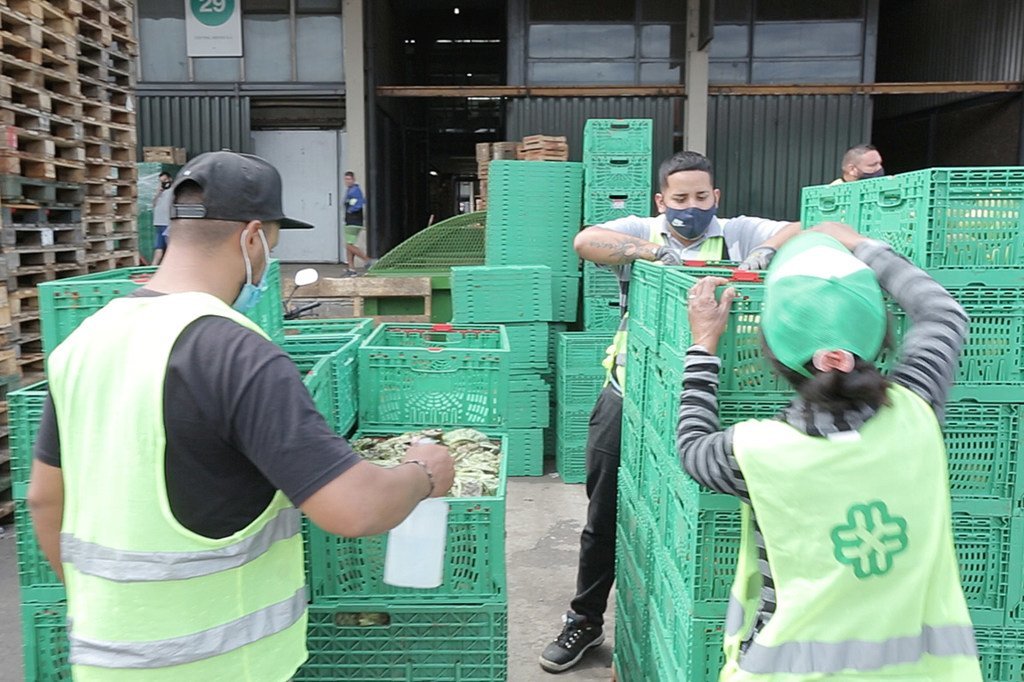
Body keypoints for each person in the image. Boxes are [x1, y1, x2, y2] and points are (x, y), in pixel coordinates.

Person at [27, 151, 456, 681]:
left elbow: (45, 499)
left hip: (107, 660)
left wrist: (105, 613)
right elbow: (354, 509)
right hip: (220, 665)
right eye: (272, 248)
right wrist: (424, 473)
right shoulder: (237, 353)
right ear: (252, 239)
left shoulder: (84, 342)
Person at [677, 223, 980, 680]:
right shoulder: (917, 410)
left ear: (774, 353)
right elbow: (943, 314)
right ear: (878, 337)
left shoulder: (753, 452)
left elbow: (691, 446)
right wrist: (862, 247)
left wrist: (703, 345)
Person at [538, 150, 801, 673]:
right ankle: (585, 620)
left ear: (715, 197)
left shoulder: (735, 232)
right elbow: (586, 241)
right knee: (604, 511)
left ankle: (683, 619)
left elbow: (800, 227)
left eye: (702, 197)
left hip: (707, 396)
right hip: (630, 390)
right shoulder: (644, 229)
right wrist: (651, 253)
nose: (691, 208)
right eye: (679, 199)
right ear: (662, 200)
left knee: (697, 513)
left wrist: (767, 250)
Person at [342, 170, 373, 275]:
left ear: (353, 179)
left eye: (349, 179)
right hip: (350, 221)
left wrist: (351, 210)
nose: (347, 181)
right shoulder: (351, 190)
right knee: (349, 244)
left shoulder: (354, 191)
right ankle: (351, 269)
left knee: (348, 245)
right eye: (346, 179)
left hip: (353, 221)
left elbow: (360, 203)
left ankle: (367, 260)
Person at [151, 171, 173, 265]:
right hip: (159, 223)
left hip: (168, 223)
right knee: (158, 248)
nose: (163, 183)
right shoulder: (159, 191)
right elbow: (153, 204)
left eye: (165, 180)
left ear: (169, 179)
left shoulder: (173, 190)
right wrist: (158, 193)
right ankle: (151, 269)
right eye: (161, 181)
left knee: (170, 247)